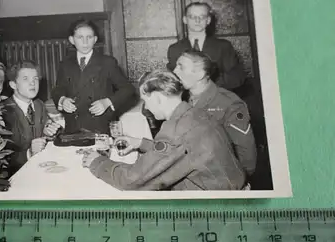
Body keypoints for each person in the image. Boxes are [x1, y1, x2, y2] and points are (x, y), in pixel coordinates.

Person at [81, 69, 247, 191]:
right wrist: (141, 143)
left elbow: (132, 181)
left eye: (145, 100)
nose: (146, 107)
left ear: (157, 97)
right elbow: (184, 151)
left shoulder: (175, 129)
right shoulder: (195, 112)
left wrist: (97, 162)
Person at [173, 51, 257, 179]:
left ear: (200, 74)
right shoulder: (181, 98)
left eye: (181, 67)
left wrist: (242, 181)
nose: (174, 71)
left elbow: (246, 151)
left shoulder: (229, 103)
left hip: (220, 177)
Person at [51, 20, 137, 135]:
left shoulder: (107, 62)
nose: (85, 42)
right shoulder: (65, 64)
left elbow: (127, 89)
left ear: (95, 39)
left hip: (99, 125)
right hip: (73, 127)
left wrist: (107, 102)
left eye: (89, 37)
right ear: (72, 40)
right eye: (80, 37)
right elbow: (58, 89)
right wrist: (62, 100)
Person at [166, 2, 246, 91]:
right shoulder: (174, 49)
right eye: (192, 17)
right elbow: (172, 80)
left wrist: (206, 84)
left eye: (202, 17)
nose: (197, 20)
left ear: (208, 20)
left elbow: (237, 77)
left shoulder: (223, 46)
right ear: (185, 20)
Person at [2, 60, 61, 174]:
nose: (33, 83)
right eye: (26, 79)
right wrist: (28, 153)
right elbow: (3, 156)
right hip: (17, 175)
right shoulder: (4, 112)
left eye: (35, 79)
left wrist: (49, 133)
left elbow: (49, 135)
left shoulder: (39, 105)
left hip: (42, 168)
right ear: (13, 84)